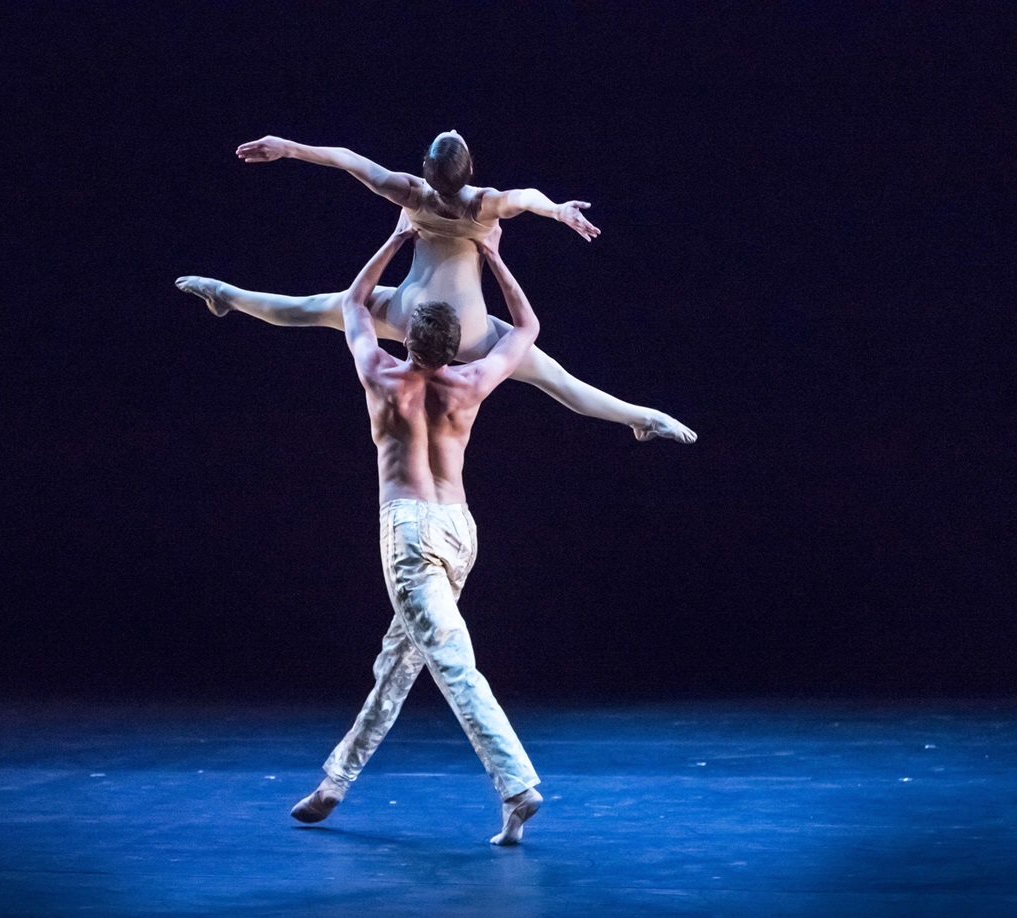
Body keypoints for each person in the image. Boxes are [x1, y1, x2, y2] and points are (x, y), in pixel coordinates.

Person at [176, 131, 695, 443]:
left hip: (407, 312)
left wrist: (287, 148)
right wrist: (557, 210)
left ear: (425, 169)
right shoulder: (484, 204)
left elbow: (347, 158)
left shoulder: (409, 192)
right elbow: (525, 197)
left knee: (315, 308)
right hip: (470, 331)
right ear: (471, 171)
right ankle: (643, 418)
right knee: (557, 379)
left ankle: (226, 296)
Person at [287, 219, 543, 846]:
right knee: (398, 663)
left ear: (406, 340)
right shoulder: (470, 383)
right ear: (456, 347)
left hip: (410, 534)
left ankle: (517, 786)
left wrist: (399, 238)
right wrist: (492, 256)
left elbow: (352, 304)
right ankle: (335, 782)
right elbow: (527, 329)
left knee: (453, 664)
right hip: (459, 532)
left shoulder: (382, 374)